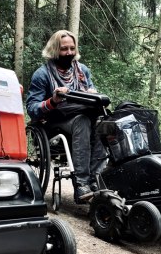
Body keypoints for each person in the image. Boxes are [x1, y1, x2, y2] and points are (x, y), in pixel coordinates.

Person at [26, 30, 106, 203]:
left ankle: (96, 180)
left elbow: (91, 92)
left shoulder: (83, 71)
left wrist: (92, 93)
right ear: (55, 50)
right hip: (53, 123)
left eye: (72, 48)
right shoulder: (42, 74)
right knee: (82, 122)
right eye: (64, 49)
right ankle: (82, 183)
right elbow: (32, 108)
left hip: (81, 117)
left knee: (102, 122)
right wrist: (53, 100)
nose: (69, 52)